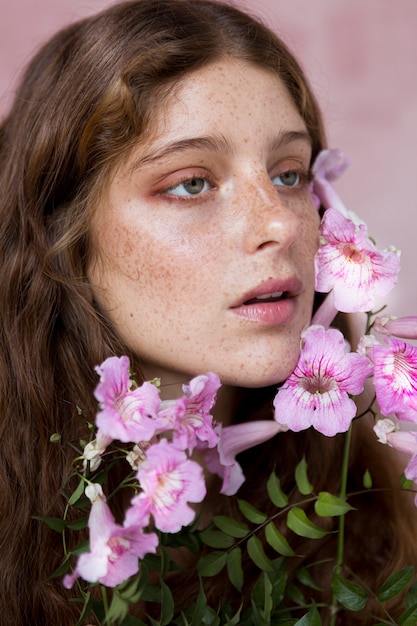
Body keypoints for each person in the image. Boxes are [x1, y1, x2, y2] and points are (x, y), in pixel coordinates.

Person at [0, 1, 415, 624]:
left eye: (290, 174)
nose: (280, 222)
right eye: (191, 182)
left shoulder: (381, 522)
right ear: (65, 235)